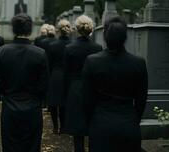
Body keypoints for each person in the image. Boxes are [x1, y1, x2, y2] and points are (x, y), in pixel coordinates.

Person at [83, 17, 148, 152]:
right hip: (128, 124)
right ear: (125, 37)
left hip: (100, 123)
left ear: (105, 36)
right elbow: (141, 100)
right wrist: (133, 120)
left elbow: (87, 99)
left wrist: (92, 121)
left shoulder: (92, 61)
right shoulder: (138, 63)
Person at [0, 13, 49, 152]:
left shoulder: (2, 52)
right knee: (32, 146)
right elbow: (44, 84)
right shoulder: (40, 53)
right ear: (30, 30)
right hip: (33, 107)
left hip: (10, 105)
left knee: (10, 145)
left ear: (14, 29)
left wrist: (5, 93)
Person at [63, 15, 102, 152]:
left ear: (76, 29)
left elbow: (66, 73)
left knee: (78, 131)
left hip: (75, 89)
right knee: (93, 126)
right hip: (93, 89)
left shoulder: (69, 48)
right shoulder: (98, 48)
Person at [47, 19, 72, 134]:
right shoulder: (72, 45)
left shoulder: (52, 45)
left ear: (58, 30)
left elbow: (49, 63)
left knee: (53, 102)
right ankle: (63, 126)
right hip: (68, 75)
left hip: (55, 74)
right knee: (64, 102)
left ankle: (55, 126)